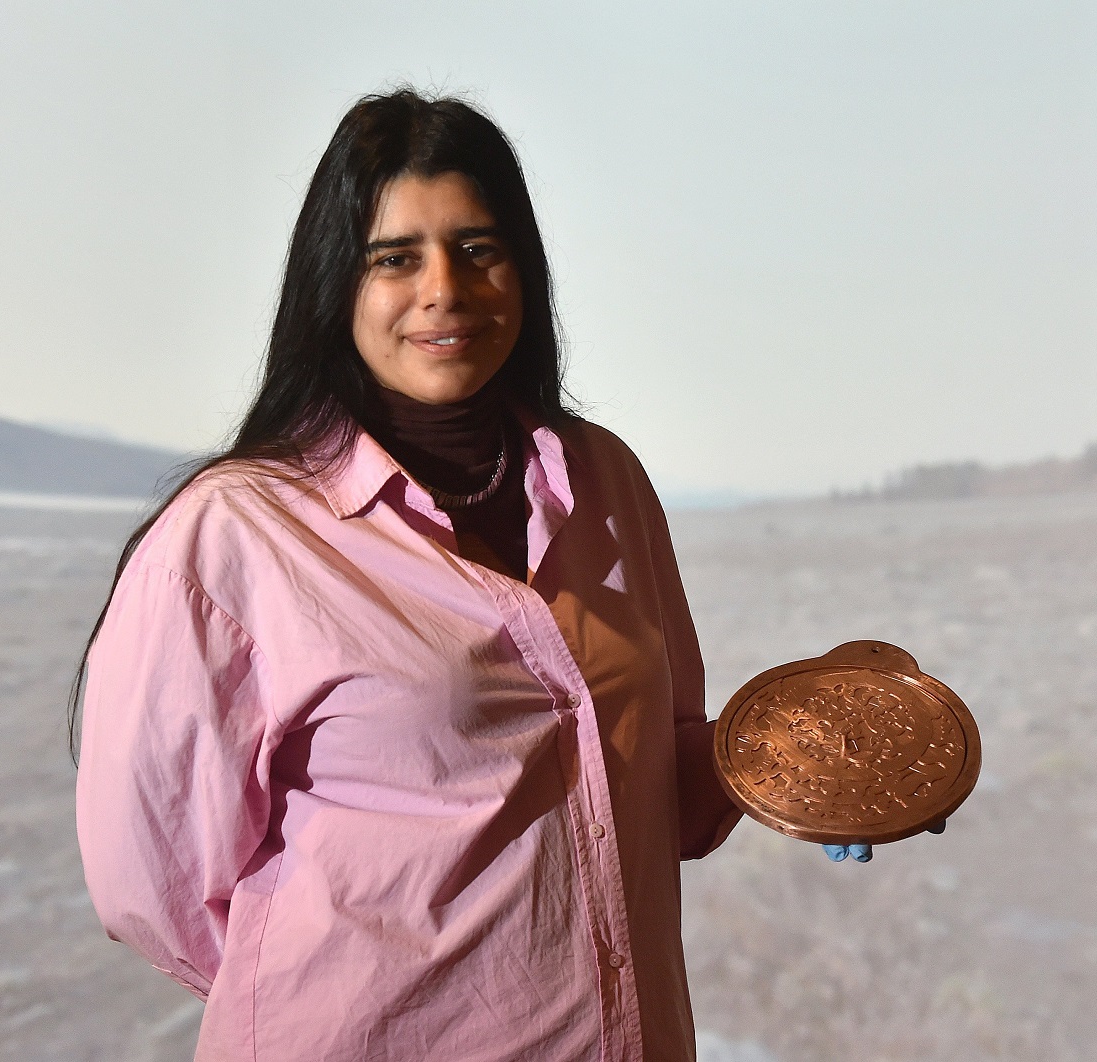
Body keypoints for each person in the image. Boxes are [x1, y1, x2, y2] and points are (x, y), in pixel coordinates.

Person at [72, 88, 889, 1062]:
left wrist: (804, 747)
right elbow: (148, 883)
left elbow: (644, 779)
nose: (443, 290)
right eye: (393, 258)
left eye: (477, 248)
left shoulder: (602, 482)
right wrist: (359, 981)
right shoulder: (233, 536)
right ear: (336, 284)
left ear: (523, 271)